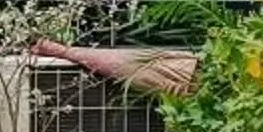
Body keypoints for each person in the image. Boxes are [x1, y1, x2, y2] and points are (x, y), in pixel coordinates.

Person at [30, 40, 199, 97]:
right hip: (191, 68)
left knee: (127, 66)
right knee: (129, 63)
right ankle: (65, 51)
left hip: (197, 81)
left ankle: (65, 51)